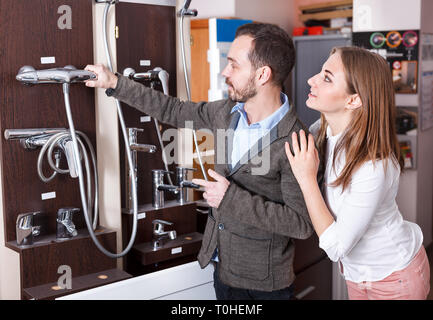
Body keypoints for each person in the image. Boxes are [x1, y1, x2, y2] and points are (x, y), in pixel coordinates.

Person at [85, 23, 317, 300]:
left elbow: (300, 224)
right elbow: (174, 110)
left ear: (263, 74)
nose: (224, 72)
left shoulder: (296, 140)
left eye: (234, 65)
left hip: (265, 286)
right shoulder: (227, 112)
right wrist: (114, 83)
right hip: (222, 271)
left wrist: (230, 197)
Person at [285, 46, 430, 300]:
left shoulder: (374, 166)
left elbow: (337, 247)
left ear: (353, 100)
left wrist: (306, 178)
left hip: (395, 279)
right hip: (357, 276)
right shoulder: (325, 129)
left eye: (327, 77)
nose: (311, 80)